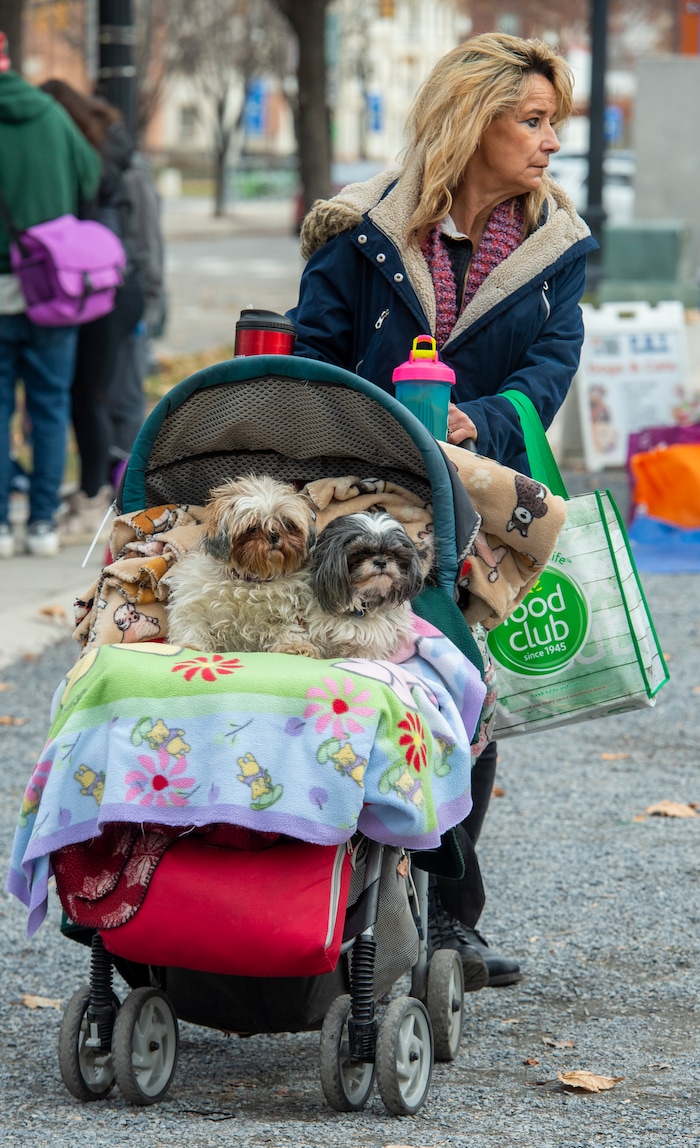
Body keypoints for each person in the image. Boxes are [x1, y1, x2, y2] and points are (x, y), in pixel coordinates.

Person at [287, 32, 598, 989]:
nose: (551, 142)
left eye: (557, 123)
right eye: (533, 120)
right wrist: (384, 415)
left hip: (474, 509)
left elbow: (550, 374)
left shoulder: (556, 249)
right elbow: (311, 357)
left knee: (466, 700)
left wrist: (480, 423)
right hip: (357, 501)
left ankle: (449, 915)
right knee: (344, 686)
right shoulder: (360, 232)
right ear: (473, 119)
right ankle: (327, 899)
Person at [0, 34, 101, 559]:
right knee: (49, 406)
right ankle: (41, 524)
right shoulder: (49, 114)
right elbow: (89, 177)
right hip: (51, 288)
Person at [39, 80, 147, 540]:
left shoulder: (87, 166)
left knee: (90, 395)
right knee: (94, 393)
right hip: (114, 287)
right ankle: (95, 491)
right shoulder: (113, 153)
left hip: (94, 289)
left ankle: (94, 498)